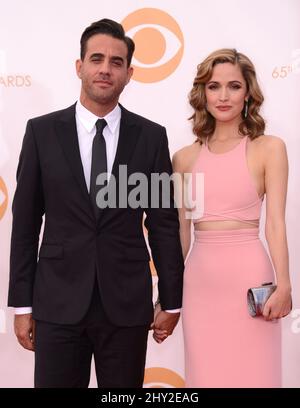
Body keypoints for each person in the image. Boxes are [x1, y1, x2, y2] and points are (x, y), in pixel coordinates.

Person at [8, 18, 184, 388]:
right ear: (80, 66)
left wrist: (171, 300)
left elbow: (164, 223)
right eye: (97, 59)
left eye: (116, 62)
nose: (105, 69)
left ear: (129, 73)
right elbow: (24, 225)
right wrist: (22, 305)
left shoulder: (151, 138)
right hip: (56, 303)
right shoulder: (41, 132)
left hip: (126, 304)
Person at [154, 48, 292, 387]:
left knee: (256, 375)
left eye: (234, 86)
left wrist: (285, 284)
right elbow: (182, 235)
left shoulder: (269, 148)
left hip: (249, 280)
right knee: (205, 376)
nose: (224, 95)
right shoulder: (184, 158)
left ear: (248, 93)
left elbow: (275, 223)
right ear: (202, 93)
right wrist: (168, 294)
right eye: (214, 86)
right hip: (200, 284)